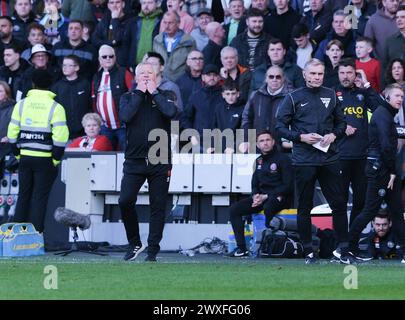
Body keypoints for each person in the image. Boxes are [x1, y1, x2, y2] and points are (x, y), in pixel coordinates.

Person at [276, 58, 348, 264]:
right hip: (304, 160)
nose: (316, 77)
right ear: (305, 74)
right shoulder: (292, 97)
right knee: (305, 206)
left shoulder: (331, 94)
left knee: (339, 203)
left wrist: (334, 135)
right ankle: (308, 251)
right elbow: (279, 127)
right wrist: (300, 137)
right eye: (313, 73)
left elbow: (342, 123)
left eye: (320, 74)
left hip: (329, 158)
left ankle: (343, 249)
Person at [118, 62, 177, 262]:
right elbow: (125, 117)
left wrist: (154, 93)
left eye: (149, 73)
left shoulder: (166, 96)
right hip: (134, 160)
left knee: (157, 206)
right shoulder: (128, 97)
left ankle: (152, 251)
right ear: (135, 77)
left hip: (159, 160)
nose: (145, 76)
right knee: (125, 201)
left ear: (156, 75)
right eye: (141, 73)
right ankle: (134, 242)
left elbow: (171, 113)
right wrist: (140, 94)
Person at [341, 83, 405, 265]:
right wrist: (392, 171)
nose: (400, 99)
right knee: (369, 211)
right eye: (397, 96)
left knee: (397, 212)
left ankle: (403, 250)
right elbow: (386, 146)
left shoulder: (385, 113)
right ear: (387, 97)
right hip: (381, 170)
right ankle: (345, 248)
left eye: (402, 96)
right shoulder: (383, 115)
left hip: (383, 168)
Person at [7, 69, 69, 234]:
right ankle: (35, 236)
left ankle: (17, 235)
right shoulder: (56, 107)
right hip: (45, 159)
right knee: (39, 199)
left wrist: (18, 154)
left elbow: (12, 133)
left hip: (25, 157)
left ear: (33, 83)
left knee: (23, 196)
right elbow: (61, 137)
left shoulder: (21, 104)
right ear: (50, 85)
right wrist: (55, 159)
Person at [228, 130, 293, 257]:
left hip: (280, 197)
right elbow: (255, 184)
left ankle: (268, 248)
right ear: (257, 145)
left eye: (268, 140)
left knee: (269, 207)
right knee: (234, 210)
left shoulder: (283, 159)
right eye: (262, 141)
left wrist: (267, 196)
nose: (265, 143)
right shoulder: (258, 161)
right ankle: (241, 249)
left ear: (273, 142)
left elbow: (288, 186)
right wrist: (255, 196)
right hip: (262, 198)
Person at [335, 58, 382, 226]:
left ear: (355, 74)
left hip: (362, 155)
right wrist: (342, 127)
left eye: (349, 72)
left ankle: (352, 242)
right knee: (339, 203)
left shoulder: (363, 93)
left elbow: (380, 110)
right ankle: (341, 243)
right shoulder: (331, 93)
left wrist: (367, 86)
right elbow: (323, 122)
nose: (346, 76)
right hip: (339, 156)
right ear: (338, 74)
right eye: (342, 73)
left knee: (360, 202)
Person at [51, 55, 92, 140]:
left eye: (69, 65)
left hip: (83, 131)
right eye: (64, 65)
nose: (65, 68)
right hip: (63, 131)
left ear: (77, 68)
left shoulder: (85, 84)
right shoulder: (57, 86)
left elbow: (90, 105)